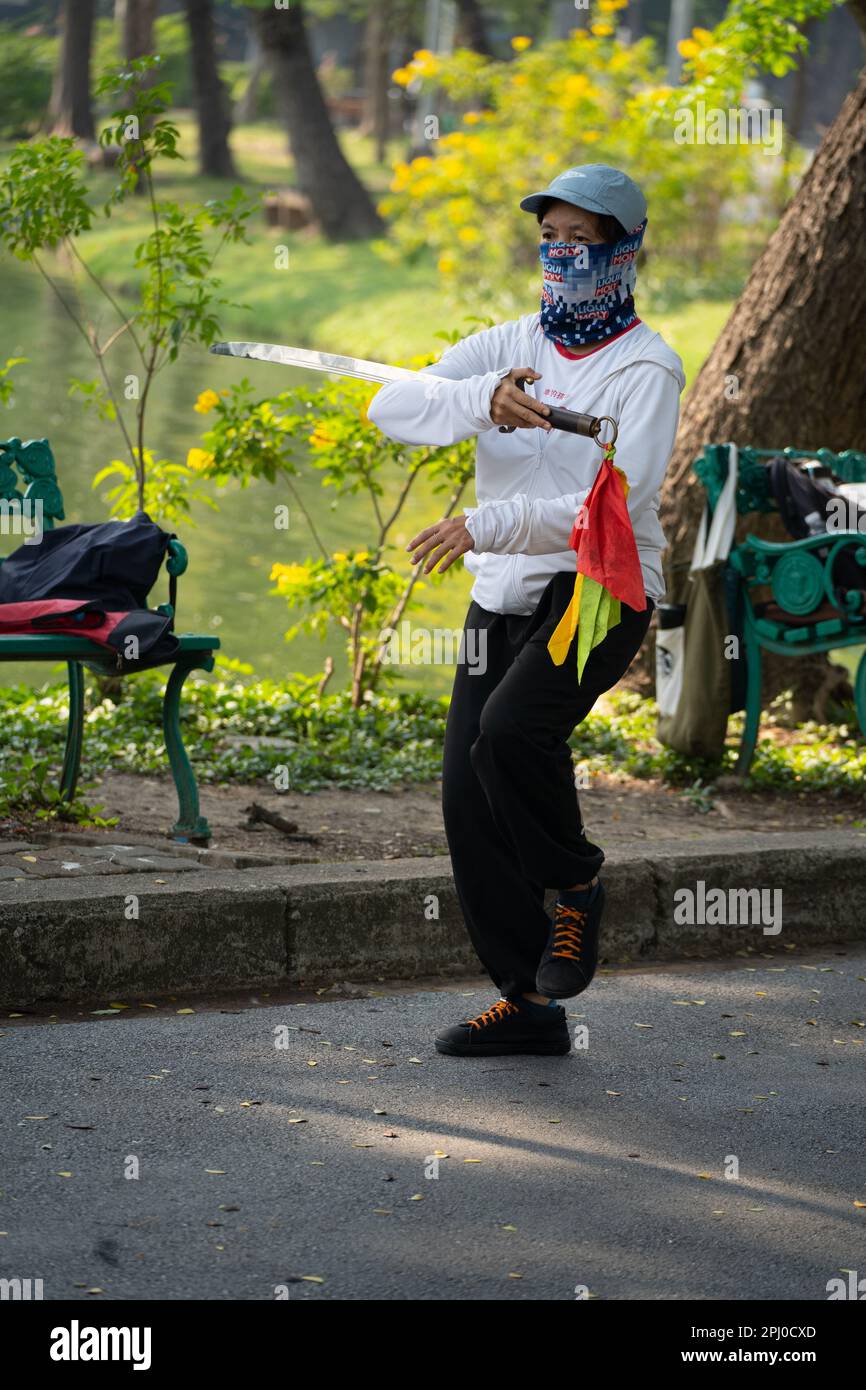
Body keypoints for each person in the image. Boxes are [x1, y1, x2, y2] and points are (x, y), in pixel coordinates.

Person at [368, 163, 685, 1057]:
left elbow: (610, 505)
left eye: (582, 241)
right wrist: (481, 398)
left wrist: (483, 522)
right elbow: (391, 403)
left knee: (510, 734)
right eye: (550, 239)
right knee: (471, 797)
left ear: (624, 252)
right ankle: (527, 1003)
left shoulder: (646, 368)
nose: (562, 255)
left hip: (598, 590)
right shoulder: (508, 341)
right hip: (501, 593)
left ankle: (577, 885)